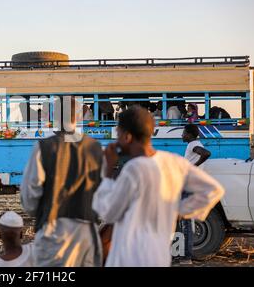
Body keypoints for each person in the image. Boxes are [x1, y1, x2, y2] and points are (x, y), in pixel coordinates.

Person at [92, 106, 224, 267]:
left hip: (129, 256)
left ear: (127, 136)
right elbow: (213, 190)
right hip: (158, 257)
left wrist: (107, 174)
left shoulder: (134, 169)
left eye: (118, 134)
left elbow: (109, 212)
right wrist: (179, 211)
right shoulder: (174, 162)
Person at [20, 97, 103, 267]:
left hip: (54, 230)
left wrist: (42, 213)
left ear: (55, 117)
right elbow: (103, 192)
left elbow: (30, 194)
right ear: (79, 116)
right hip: (88, 231)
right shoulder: (94, 147)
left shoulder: (44, 147)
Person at [178, 124, 212, 264]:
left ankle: (186, 258)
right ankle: (183, 255)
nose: (182, 135)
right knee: (184, 222)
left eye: (184, 133)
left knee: (186, 223)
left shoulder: (193, 144)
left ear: (190, 134)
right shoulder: (193, 144)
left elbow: (206, 153)